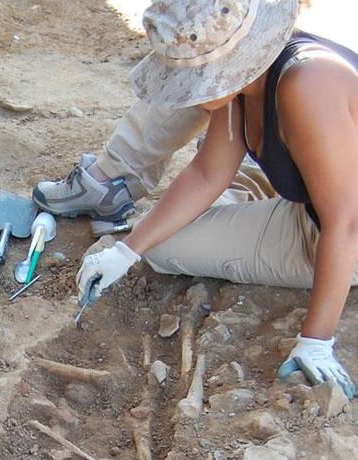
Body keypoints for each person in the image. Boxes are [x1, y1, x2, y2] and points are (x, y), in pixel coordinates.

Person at [72, 0, 358, 399]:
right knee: (160, 246)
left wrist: (317, 339)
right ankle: (268, 191)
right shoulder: (243, 83)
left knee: (328, 214)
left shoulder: (307, 84)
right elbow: (208, 174)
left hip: (342, 233)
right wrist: (125, 251)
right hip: (313, 211)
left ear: (223, 67)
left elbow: (346, 223)